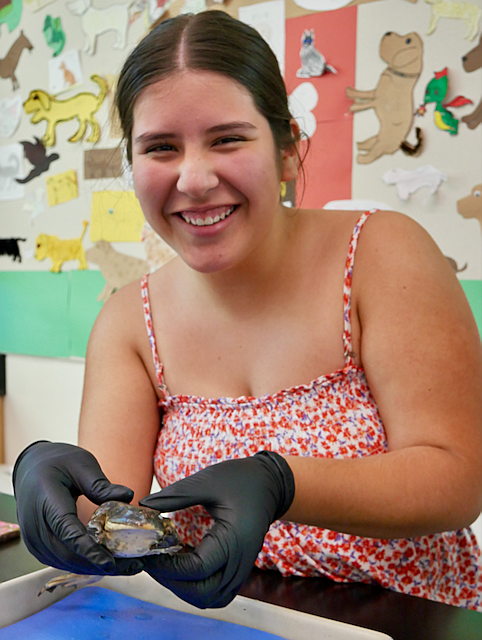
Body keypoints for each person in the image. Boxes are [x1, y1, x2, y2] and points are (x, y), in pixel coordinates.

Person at [13, 10, 482, 611]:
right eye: (160, 147)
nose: (194, 178)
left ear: (287, 149)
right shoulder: (129, 321)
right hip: (234, 619)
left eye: (227, 139)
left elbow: (457, 479)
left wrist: (284, 482)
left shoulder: (382, 253)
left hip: (411, 615)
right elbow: (110, 513)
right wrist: (47, 480)